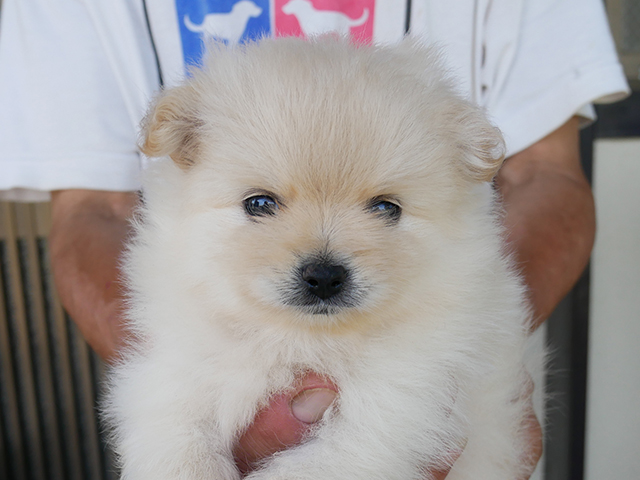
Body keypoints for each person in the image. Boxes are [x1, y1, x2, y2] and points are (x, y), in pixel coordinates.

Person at [0, 0, 630, 478]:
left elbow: (547, 174)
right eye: (261, 203)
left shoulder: (430, 332)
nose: (323, 260)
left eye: (384, 207)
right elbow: (94, 213)